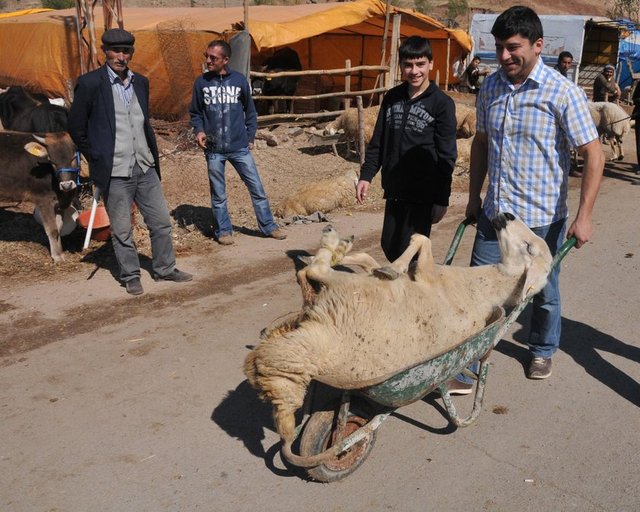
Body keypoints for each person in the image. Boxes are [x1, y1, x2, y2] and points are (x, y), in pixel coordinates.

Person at [450, 6, 604, 392]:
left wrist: (584, 216)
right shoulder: (490, 87)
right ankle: (471, 364)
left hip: (541, 218)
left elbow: (594, 153)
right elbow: (482, 143)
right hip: (495, 213)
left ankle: (541, 347)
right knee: (480, 290)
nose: (504, 57)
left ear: (538, 46)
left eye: (512, 47)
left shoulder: (562, 92)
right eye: (499, 47)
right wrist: (474, 197)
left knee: (544, 292)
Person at [68, 28, 192, 296]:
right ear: (105, 52)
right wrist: (97, 156)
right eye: (115, 51)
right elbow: (76, 128)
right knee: (122, 229)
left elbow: (141, 121)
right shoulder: (90, 84)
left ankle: (165, 268)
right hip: (115, 172)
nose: (120, 57)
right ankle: (131, 274)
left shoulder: (140, 82)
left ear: (131, 54)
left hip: (144, 166)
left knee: (160, 222)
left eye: (126, 51)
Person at [356, 35, 457, 262]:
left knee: (410, 253)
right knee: (389, 245)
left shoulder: (441, 104)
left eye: (420, 64)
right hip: (395, 189)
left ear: (431, 64)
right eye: (408, 65)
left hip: (423, 194)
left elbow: (447, 155)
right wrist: (366, 176)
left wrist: (442, 199)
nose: (414, 71)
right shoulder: (392, 98)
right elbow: (378, 142)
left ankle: (411, 294)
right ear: (401, 66)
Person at [189, 40, 286, 245]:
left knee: (256, 188)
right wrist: (199, 131)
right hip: (214, 149)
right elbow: (196, 113)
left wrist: (250, 137)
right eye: (206, 56)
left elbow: (250, 112)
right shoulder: (201, 83)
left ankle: (268, 226)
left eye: (213, 58)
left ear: (225, 60)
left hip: (239, 147)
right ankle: (224, 231)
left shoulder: (240, 81)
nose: (208, 61)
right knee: (218, 193)